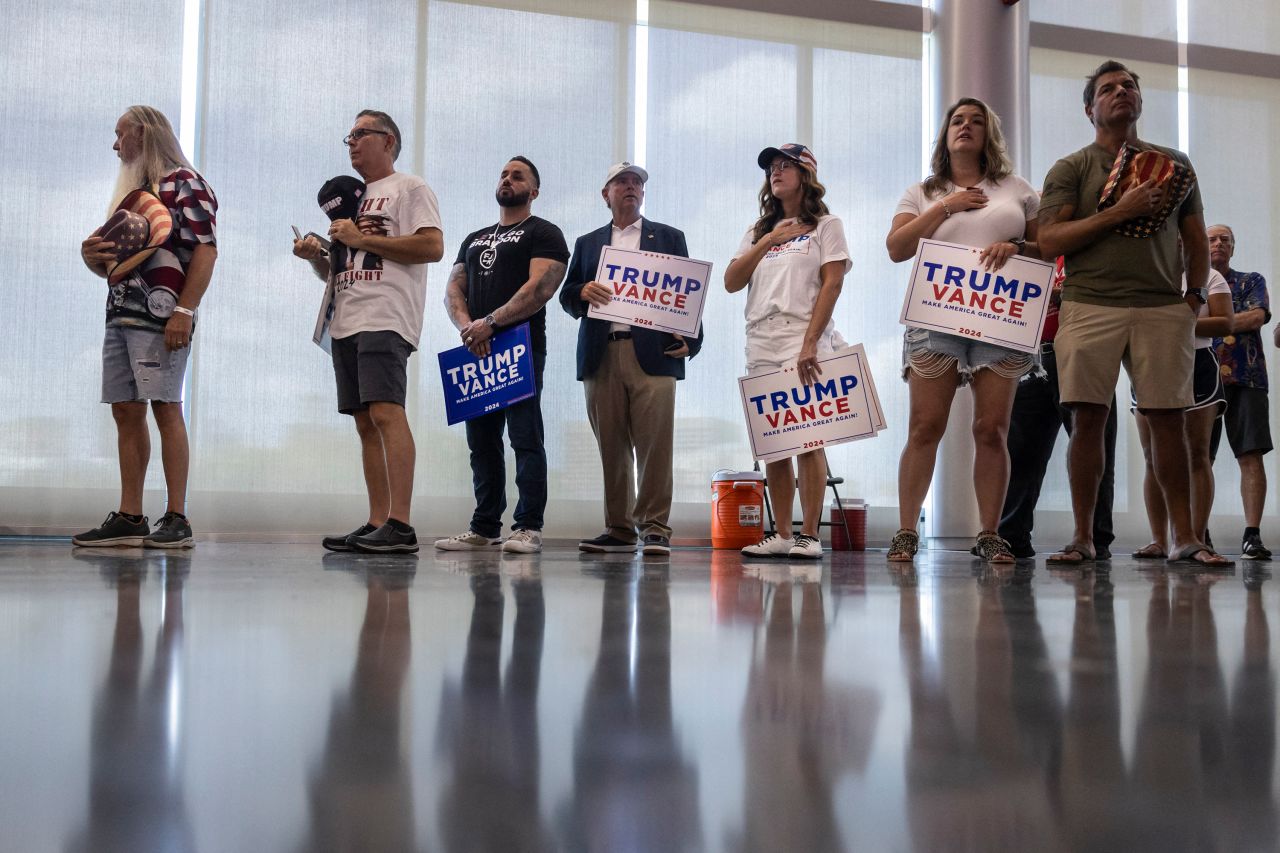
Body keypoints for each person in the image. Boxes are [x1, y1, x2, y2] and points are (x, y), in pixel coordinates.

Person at [1038, 59, 1226, 566]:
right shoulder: (1071, 168)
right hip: (1088, 303)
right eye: (1108, 89)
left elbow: (1194, 237)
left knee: (1169, 423)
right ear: (1089, 109)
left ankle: (1185, 538)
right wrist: (1122, 210)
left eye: (1129, 86)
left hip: (1164, 308)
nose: (1121, 92)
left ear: (1139, 100)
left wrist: (1192, 298)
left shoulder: (1175, 164)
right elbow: (1049, 239)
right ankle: (1082, 537)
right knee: (1087, 420)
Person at [884, 97, 1041, 564]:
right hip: (937, 314)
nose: (966, 127)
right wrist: (946, 206)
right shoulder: (922, 191)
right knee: (924, 426)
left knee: (991, 428)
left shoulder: (1017, 188)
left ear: (989, 133)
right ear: (945, 133)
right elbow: (896, 248)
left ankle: (989, 532)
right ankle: (907, 530)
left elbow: (1046, 249)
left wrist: (1015, 245)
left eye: (976, 121)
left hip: (1001, 314)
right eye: (957, 120)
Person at [294, 110, 444, 554]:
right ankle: (378, 520)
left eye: (361, 134)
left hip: (385, 315)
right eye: (350, 136)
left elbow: (432, 246)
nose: (352, 142)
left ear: (390, 141)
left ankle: (400, 523)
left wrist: (361, 239)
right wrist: (317, 257)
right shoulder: (352, 199)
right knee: (364, 422)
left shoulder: (409, 187)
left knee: (385, 412)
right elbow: (340, 270)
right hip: (346, 318)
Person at [75, 106, 217, 549]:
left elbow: (206, 252)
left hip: (162, 317)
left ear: (142, 132)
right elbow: (119, 264)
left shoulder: (185, 183)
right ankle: (131, 516)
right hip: (121, 312)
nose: (116, 145)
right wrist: (92, 256)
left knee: (165, 406)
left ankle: (177, 517)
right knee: (125, 408)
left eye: (120, 134)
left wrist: (185, 312)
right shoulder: (136, 192)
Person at [560, 162, 703, 556]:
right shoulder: (588, 243)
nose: (631, 187)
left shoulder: (669, 237)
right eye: (622, 182)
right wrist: (581, 292)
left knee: (656, 445)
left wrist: (693, 341)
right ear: (605, 194)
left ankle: (655, 527)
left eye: (637, 182)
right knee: (611, 446)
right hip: (600, 353)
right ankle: (619, 527)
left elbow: (686, 294)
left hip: (654, 353)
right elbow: (567, 295)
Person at [724, 143, 850, 560]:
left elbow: (832, 283)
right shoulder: (759, 230)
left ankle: (809, 535)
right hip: (760, 336)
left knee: (807, 436)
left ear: (806, 174)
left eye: (784, 166)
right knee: (773, 440)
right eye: (771, 168)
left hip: (802, 334)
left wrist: (811, 341)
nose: (775, 172)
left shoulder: (826, 225)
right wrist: (769, 241)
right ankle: (780, 533)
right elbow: (731, 280)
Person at [438, 157, 569, 554]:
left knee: (525, 437)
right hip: (476, 349)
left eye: (518, 176)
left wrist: (490, 323)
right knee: (481, 442)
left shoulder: (543, 232)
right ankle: (485, 527)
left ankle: (528, 526)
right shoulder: (475, 238)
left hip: (519, 347)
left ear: (534, 191)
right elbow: (452, 290)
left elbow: (540, 289)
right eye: (504, 174)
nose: (507, 180)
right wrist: (469, 328)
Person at [999, 256, 1118, 559]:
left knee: (1093, 445)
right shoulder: (1025, 258)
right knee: (1020, 450)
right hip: (1032, 355)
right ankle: (1011, 537)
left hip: (1081, 352)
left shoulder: (1086, 254)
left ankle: (1095, 540)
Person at [1133, 264, 1233, 560]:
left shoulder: (1209, 276)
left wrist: (1172, 322)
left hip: (1197, 362)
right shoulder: (1147, 271)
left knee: (1197, 454)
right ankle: (1159, 540)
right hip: (1150, 361)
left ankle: (1196, 539)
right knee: (1151, 454)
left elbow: (1225, 323)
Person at [1209, 224, 1273, 560]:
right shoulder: (1192, 285)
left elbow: (1256, 318)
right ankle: (1196, 534)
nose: (1219, 243)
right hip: (1201, 380)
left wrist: (1209, 323)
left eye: (1225, 240)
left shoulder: (1251, 280)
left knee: (1250, 455)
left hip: (1247, 379)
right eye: (1212, 239)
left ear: (1233, 247)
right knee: (1199, 460)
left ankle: (1252, 535)